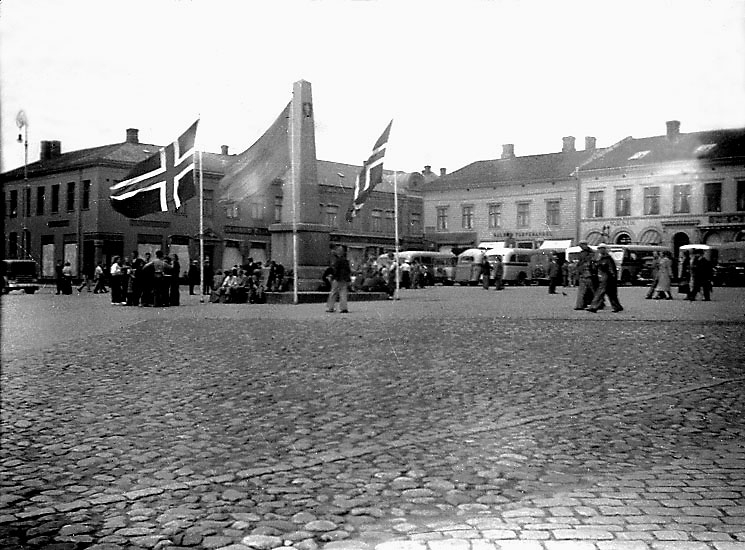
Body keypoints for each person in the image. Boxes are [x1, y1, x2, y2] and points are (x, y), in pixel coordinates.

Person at [586, 245, 623, 313]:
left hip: (606, 278)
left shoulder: (607, 259)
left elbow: (611, 269)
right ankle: (617, 306)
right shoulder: (602, 258)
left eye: (601, 249)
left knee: (600, 293)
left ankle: (593, 307)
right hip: (605, 278)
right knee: (611, 294)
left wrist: (613, 277)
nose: (599, 250)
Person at [326, 245, 352, 313]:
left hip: (337, 278)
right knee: (343, 293)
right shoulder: (346, 261)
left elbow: (336, 270)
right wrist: (348, 279)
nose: (337, 251)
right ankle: (343, 308)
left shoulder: (338, 260)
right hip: (344, 279)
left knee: (333, 293)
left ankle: (330, 307)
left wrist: (332, 277)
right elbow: (348, 270)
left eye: (339, 250)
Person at [574, 241, 597, 310]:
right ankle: (579, 305)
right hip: (584, 274)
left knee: (593, 290)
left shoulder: (592, 253)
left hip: (590, 274)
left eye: (581, 245)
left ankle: (597, 303)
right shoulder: (582, 253)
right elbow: (579, 263)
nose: (581, 247)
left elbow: (593, 263)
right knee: (582, 291)